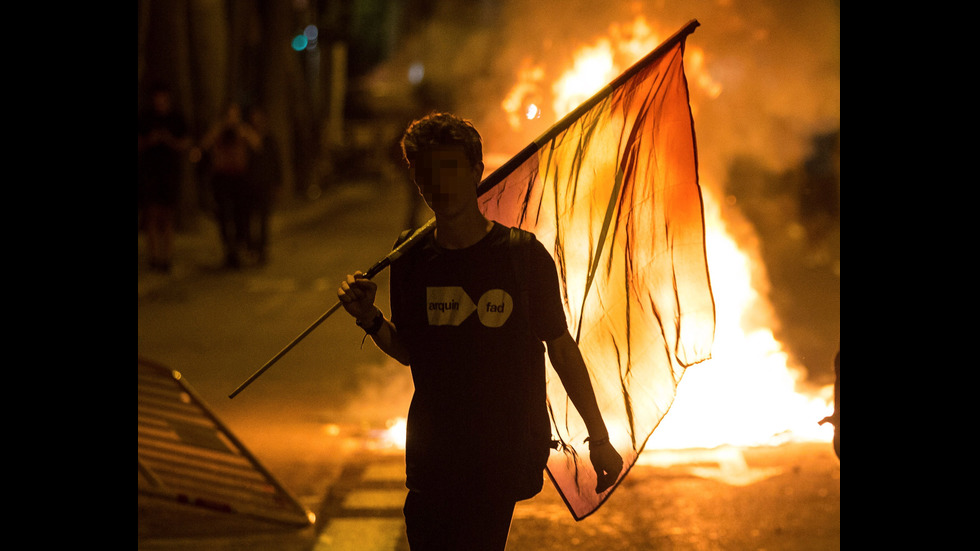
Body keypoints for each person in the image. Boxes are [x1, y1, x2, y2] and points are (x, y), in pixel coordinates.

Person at [338, 112, 623, 549]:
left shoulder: (521, 257)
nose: (441, 183)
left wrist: (598, 438)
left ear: (477, 172)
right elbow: (412, 350)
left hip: (500, 453)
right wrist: (370, 320)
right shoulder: (410, 256)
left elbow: (562, 349)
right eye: (427, 172)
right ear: (416, 180)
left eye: (452, 168)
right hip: (433, 454)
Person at [201, 103, 260, 268]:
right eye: (229, 116)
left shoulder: (242, 131)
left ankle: (240, 248)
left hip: (240, 178)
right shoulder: (218, 131)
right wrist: (218, 130)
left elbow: (257, 144)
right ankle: (228, 249)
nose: (232, 120)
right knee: (223, 215)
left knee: (241, 214)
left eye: (235, 116)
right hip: (222, 178)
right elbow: (204, 146)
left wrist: (244, 131)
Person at [138, 83, 190, 272]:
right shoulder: (145, 117)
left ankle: (166, 257)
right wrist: (149, 140)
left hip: (170, 172)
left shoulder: (176, 117)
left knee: (167, 216)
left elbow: (186, 143)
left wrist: (170, 140)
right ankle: (153, 257)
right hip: (149, 172)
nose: (159, 102)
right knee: (151, 214)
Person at [245, 107, 283, 265]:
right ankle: (251, 247)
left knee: (263, 220)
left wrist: (278, 182)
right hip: (249, 185)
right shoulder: (246, 139)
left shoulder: (269, 139)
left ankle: (262, 250)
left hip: (265, 185)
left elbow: (276, 162)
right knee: (249, 219)